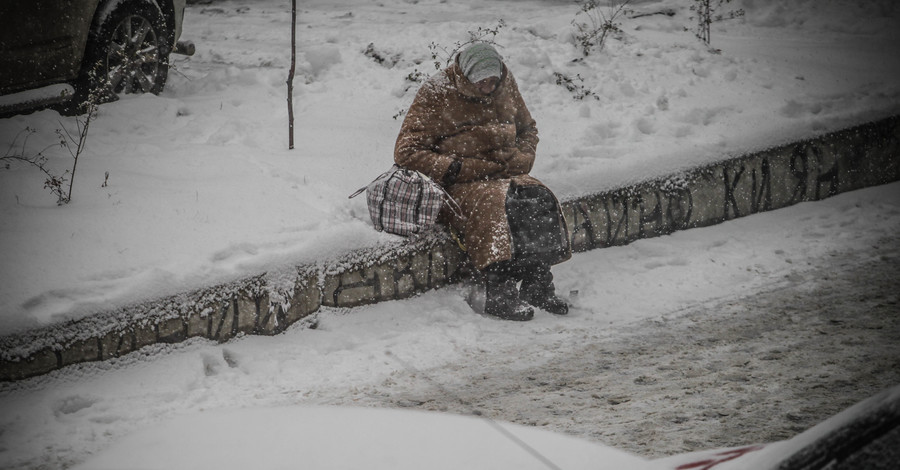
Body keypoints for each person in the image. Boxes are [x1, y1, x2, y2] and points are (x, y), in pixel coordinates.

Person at [394, 42, 572, 321]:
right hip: (459, 184)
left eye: (493, 81)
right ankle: (498, 291)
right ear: (466, 77)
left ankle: (537, 282)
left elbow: (528, 129)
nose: (490, 88)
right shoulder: (437, 91)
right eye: (482, 83)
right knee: (495, 206)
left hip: (505, 173)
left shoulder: (504, 81)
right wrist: (456, 168)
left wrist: (524, 158)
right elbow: (406, 152)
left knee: (538, 197)